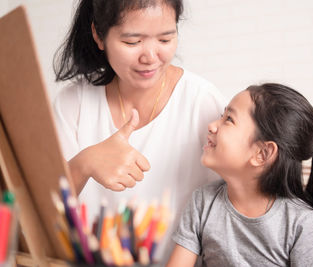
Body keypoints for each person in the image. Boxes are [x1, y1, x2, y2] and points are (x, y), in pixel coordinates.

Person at [52, 0, 226, 261]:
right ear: (99, 35)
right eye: (132, 42)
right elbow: (41, 211)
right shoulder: (72, 103)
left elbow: (228, 211)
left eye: (165, 40)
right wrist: (84, 163)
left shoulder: (203, 102)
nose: (150, 57)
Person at [167, 83, 313, 267]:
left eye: (228, 119)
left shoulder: (301, 222)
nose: (211, 126)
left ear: (262, 154)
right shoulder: (203, 201)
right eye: (221, 115)